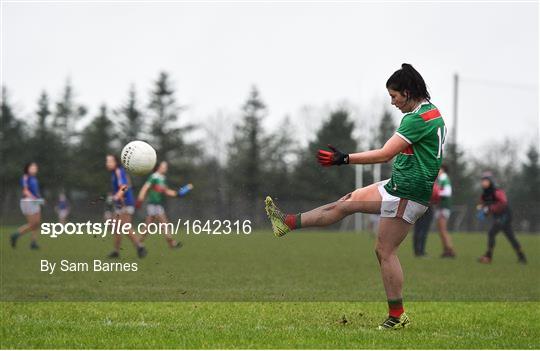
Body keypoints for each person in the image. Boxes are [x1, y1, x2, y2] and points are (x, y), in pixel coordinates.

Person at [265, 63, 446, 330]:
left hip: (408, 193)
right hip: (398, 186)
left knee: (385, 251)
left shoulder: (416, 119)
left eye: (394, 96)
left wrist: (344, 159)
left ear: (407, 93)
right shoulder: (430, 112)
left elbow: (386, 153)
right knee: (347, 202)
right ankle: (287, 222)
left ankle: (397, 317)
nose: (392, 102)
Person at [136, 160, 193, 248]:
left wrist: (178, 193)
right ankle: (171, 243)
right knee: (163, 224)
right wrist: (140, 199)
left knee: (151, 225)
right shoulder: (154, 177)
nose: (165, 168)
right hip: (153, 204)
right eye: (164, 167)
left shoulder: (162, 178)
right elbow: (145, 188)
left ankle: (139, 243)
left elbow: (166, 191)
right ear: (158, 167)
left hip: (158, 204)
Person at [477, 172, 527, 264]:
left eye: (486, 180)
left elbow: (503, 204)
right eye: (482, 181)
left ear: (490, 181)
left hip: (505, 216)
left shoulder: (497, 191)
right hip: (498, 217)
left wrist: (489, 209)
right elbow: (483, 206)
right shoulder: (484, 194)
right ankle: (522, 257)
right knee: (510, 237)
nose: (483, 182)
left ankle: (488, 257)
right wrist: (483, 211)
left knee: (491, 233)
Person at [105, 154, 147, 259]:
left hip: (125, 203)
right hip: (122, 203)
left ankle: (140, 247)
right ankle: (117, 251)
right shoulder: (116, 173)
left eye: (110, 161)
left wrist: (116, 197)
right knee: (117, 227)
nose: (107, 163)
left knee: (124, 226)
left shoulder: (118, 171)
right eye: (107, 161)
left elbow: (124, 187)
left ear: (116, 162)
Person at [10, 162, 44, 249]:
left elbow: (35, 191)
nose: (34, 168)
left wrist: (39, 199)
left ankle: (33, 243)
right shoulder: (26, 177)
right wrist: (34, 198)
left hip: (35, 201)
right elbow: (25, 191)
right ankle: (16, 234)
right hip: (28, 201)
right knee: (32, 224)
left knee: (37, 224)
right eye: (32, 167)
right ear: (27, 168)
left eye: (35, 167)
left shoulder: (34, 178)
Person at [434, 165, 456, 257]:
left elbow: (447, 192)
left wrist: (436, 193)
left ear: (443, 170)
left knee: (443, 230)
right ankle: (446, 250)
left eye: (439, 169)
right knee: (441, 230)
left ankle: (450, 250)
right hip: (440, 207)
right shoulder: (440, 180)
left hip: (444, 207)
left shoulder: (444, 179)